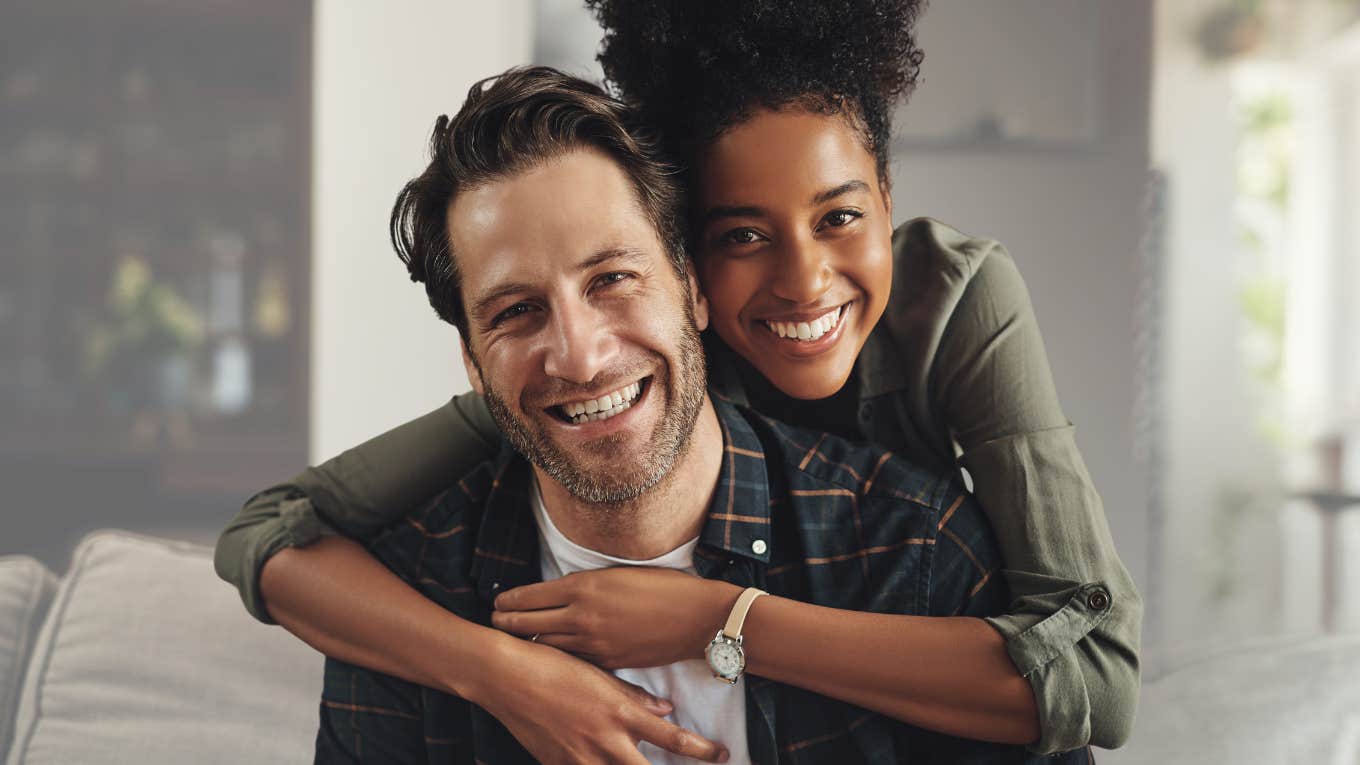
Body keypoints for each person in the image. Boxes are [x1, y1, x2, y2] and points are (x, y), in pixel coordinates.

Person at [217, 0, 1140, 755]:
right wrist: (502, 671)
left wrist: (719, 617)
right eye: (743, 233)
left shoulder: (943, 392)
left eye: (840, 217)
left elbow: (1094, 678)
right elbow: (271, 534)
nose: (804, 281)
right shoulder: (537, 429)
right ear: (699, 262)